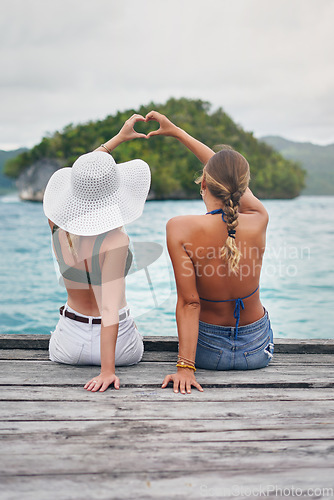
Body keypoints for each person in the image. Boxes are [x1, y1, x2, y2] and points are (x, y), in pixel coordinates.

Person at [145, 111, 274, 394]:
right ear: (243, 188)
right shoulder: (258, 218)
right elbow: (223, 172)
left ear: (203, 184)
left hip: (206, 354)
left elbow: (190, 303)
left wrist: (185, 368)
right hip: (257, 351)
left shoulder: (179, 228)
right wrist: (179, 131)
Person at [43, 115, 151, 392]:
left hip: (69, 343)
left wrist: (112, 142)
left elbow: (89, 178)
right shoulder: (116, 240)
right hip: (118, 351)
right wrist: (107, 371)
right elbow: (108, 309)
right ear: (114, 194)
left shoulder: (58, 227)